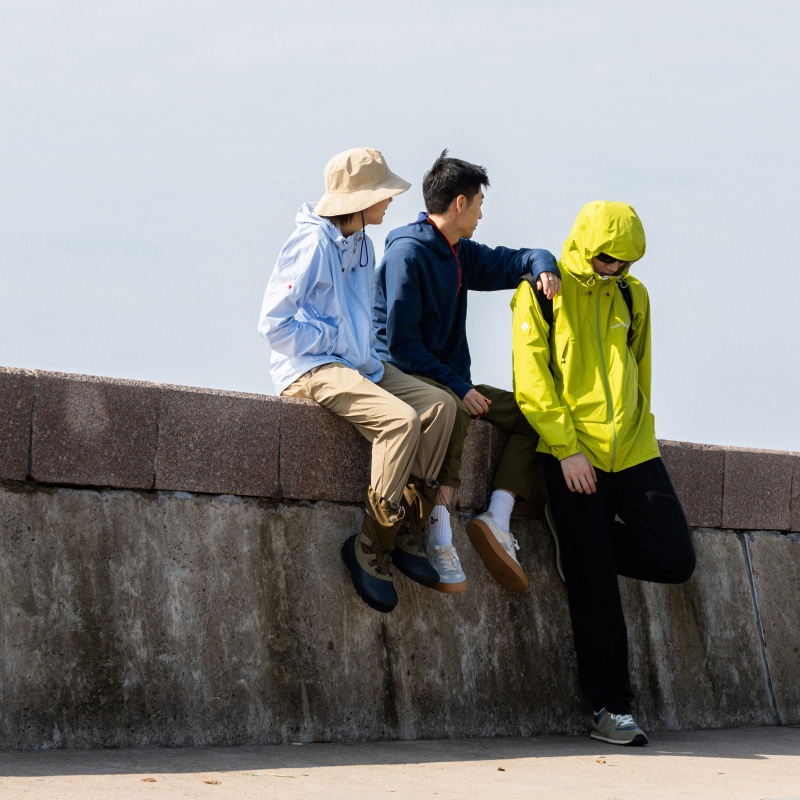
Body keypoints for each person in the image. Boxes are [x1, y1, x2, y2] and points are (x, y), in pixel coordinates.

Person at [510, 200, 696, 745]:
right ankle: (611, 710)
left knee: (675, 556)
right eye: (607, 259)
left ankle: (581, 543)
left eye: (623, 261)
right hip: (572, 454)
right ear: (587, 245)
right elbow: (531, 381)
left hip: (633, 450)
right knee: (594, 586)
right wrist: (567, 449)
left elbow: (641, 372)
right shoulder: (541, 295)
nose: (614, 268)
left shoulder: (633, 298)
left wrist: (644, 435)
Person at [258, 148, 457, 614]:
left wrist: (357, 347)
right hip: (312, 368)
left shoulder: (364, 243)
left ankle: (408, 528)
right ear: (361, 199)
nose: (390, 202)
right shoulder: (310, 244)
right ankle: (370, 546)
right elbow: (274, 325)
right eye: (384, 194)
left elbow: (362, 318)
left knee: (441, 407)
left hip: (356, 365)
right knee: (400, 422)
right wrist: (335, 336)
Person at [373, 150, 561, 593]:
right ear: (459, 203)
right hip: (407, 379)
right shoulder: (408, 254)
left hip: (451, 378)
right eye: (478, 204)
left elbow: (521, 257)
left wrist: (545, 269)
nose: (481, 214)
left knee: (532, 412)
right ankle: (439, 533)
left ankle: (496, 516)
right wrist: (459, 385)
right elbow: (401, 345)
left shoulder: (460, 253)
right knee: (455, 406)